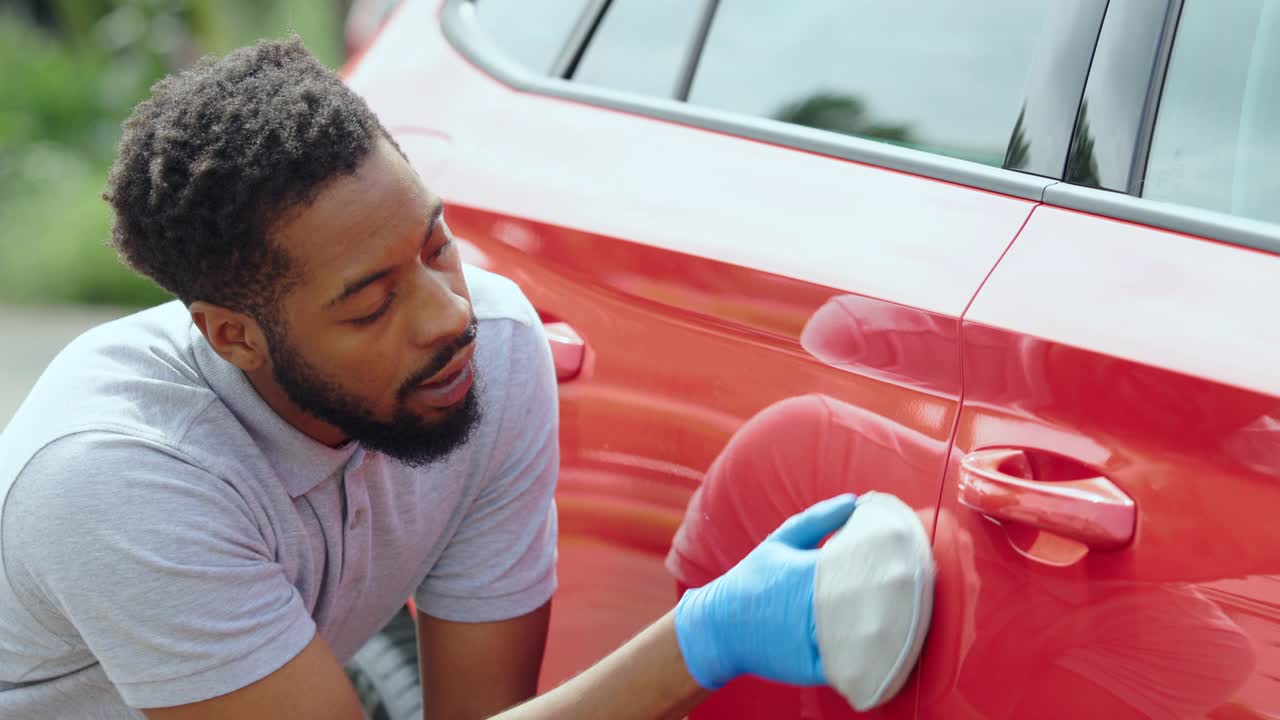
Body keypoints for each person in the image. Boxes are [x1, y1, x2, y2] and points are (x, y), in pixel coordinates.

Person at [0, 39, 911, 719]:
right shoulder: (118, 479)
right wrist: (699, 644)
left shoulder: (496, 354)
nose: (449, 315)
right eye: (369, 306)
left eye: (437, 245)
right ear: (234, 338)